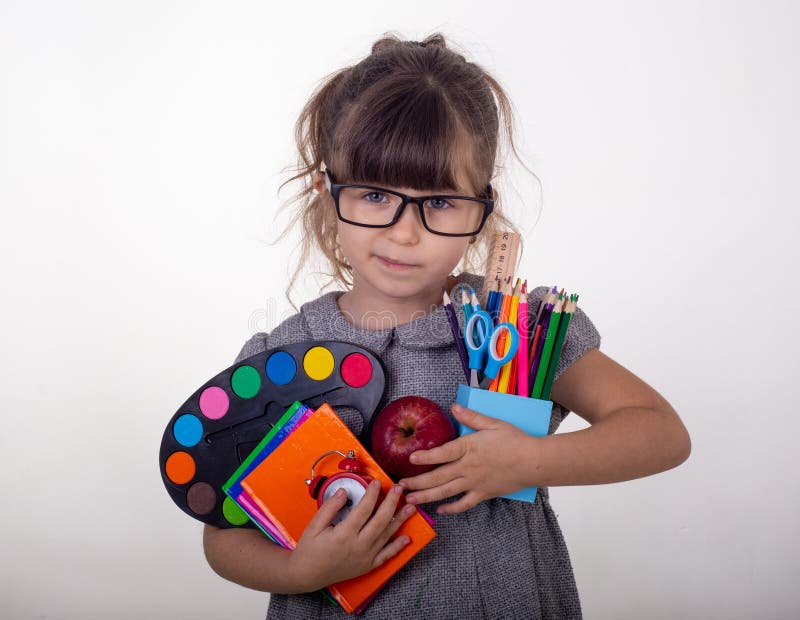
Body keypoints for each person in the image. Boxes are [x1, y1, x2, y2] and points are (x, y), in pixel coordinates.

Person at [202, 32, 691, 619]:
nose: (404, 233)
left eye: (439, 202)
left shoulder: (519, 329)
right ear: (326, 191)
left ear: (481, 205)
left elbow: (661, 432)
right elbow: (224, 535)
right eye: (376, 194)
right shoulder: (281, 359)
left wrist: (530, 462)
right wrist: (301, 569)